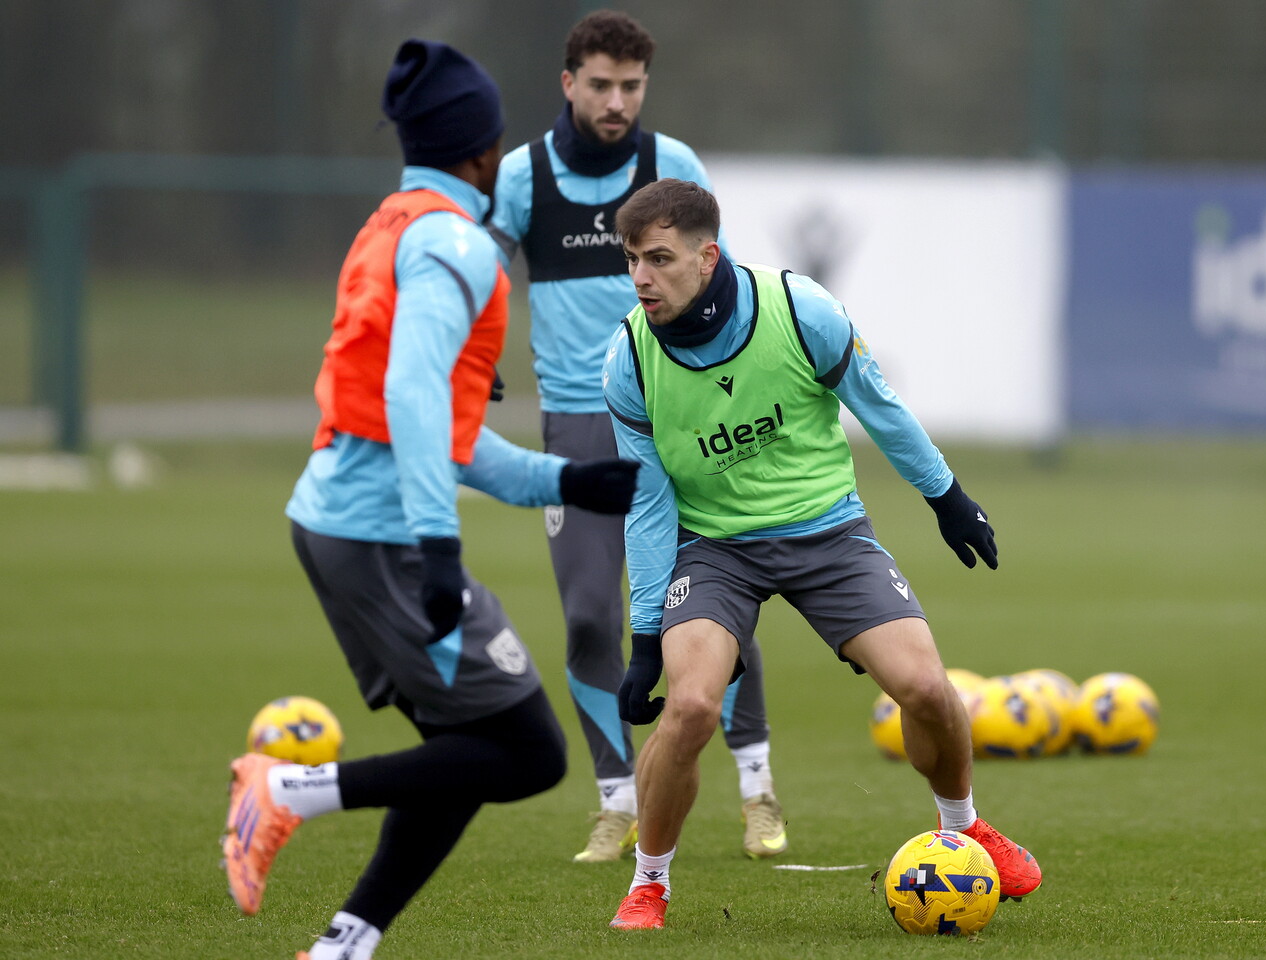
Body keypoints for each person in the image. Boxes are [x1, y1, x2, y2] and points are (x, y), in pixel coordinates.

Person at [218, 40, 639, 960]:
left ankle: (346, 943)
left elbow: (433, 426)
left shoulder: (395, 222)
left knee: (465, 753)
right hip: (383, 541)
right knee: (527, 752)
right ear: (485, 150)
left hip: (340, 521)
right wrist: (438, 548)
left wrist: (561, 480)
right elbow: (413, 395)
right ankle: (283, 793)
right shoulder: (455, 242)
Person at [600, 178, 1043, 930]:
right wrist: (645, 636)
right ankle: (650, 883)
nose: (641, 277)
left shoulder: (802, 311)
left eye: (659, 259)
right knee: (692, 707)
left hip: (828, 533)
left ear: (707, 258)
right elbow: (647, 506)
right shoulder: (629, 362)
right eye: (632, 259)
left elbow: (882, 407)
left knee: (930, 691)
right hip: (714, 550)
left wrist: (947, 497)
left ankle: (964, 825)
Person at [487, 8, 787, 864]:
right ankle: (615, 800)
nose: (617, 101)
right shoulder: (523, 176)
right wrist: (474, 350)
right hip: (577, 423)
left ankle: (758, 789)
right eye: (602, 84)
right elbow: (478, 268)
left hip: (678, 413)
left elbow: (721, 278)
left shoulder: (672, 167)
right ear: (568, 83)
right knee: (589, 616)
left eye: (632, 86)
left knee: (711, 613)